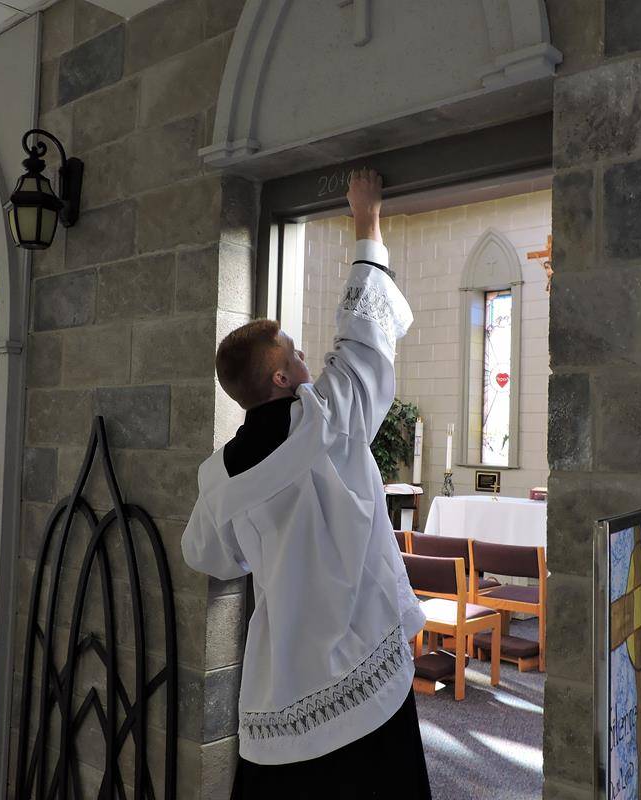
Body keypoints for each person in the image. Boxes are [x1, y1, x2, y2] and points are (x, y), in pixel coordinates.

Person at [181, 168, 431, 799]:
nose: (303, 359)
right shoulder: (329, 421)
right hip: (359, 666)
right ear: (280, 381)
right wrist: (366, 222)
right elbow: (365, 344)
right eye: (292, 354)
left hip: (283, 684)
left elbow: (207, 554)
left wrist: (259, 547)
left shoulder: (219, 479)